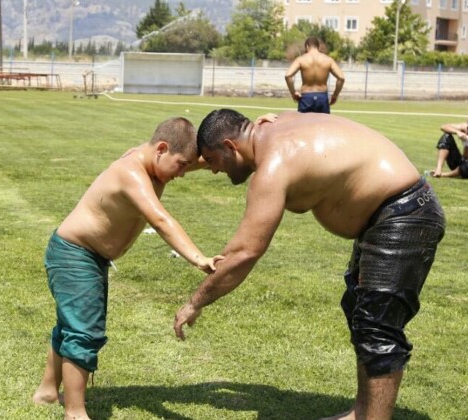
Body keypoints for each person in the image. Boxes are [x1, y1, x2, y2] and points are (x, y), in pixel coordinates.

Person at [173, 109, 446, 420]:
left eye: (211, 161)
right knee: (360, 310)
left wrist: (195, 303)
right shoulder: (273, 125)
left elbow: (244, 253)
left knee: (377, 325)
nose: (211, 170)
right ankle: (363, 412)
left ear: (231, 146)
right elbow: (230, 147)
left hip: (404, 214)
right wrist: (171, 165)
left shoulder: (273, 166)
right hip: (390, 213)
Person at [32, 117, 225, 420]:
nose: (183, 174)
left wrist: (249, 137)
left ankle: (46, 391)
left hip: (86, 256)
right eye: (181, 165)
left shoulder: (157, 161)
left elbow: (201, 158)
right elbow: (161, 221)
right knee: (83, 331)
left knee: (70, 324)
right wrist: (198, 257)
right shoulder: (131, 173)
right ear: (162, 148)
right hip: (74, 255)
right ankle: (75, 413)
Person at [284, 36, 346, 114]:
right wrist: (335, 95)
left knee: (304, 125)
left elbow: (288, 76)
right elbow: (341, 77)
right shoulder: (328, 60)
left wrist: (293, 93)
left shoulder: (301, 59)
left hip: (306, 97)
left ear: (307, 46)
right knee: (323, 125)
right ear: (318, 47)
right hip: (322, 97)